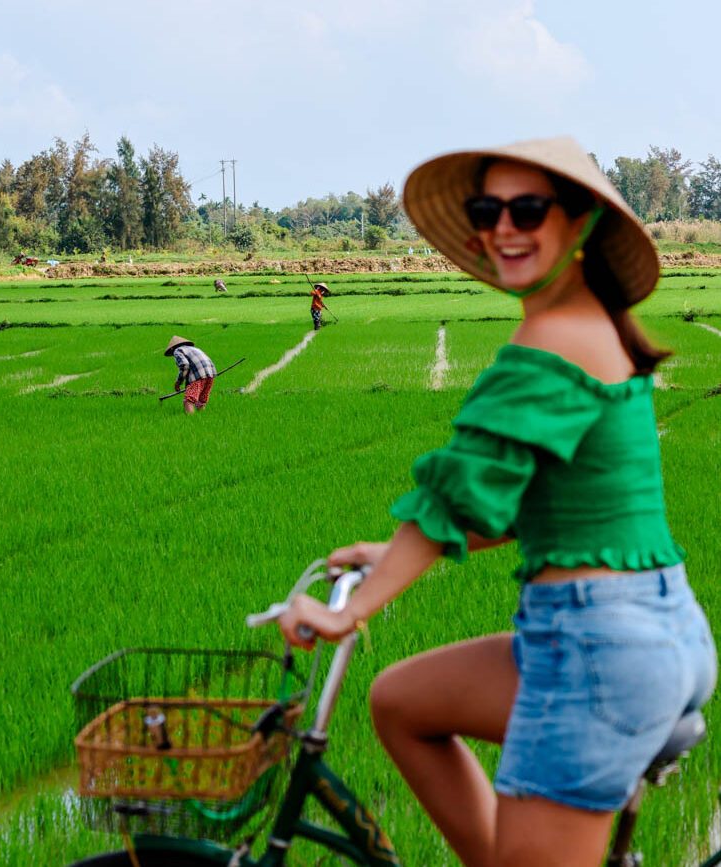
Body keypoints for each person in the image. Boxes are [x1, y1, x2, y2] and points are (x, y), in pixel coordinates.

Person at [278, 137, 717, 867]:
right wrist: (393, 553)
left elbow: (455, 497)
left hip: (597, 648)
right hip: (653, 628)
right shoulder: (594, 322)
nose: (503, 226)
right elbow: (521, 503)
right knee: (402, 701)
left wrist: (347, 610)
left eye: (527, 208)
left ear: (578, 222)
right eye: (488, 209)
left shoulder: (551, 339)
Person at [163, 335, 217, 414]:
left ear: (172, 348)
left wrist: (179, 382)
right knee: (201, 401)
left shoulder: (178, 350)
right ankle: (201, 418)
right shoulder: (195, 349)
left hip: (197, 376)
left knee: (189, 400)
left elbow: (185, 365)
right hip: (210, 374)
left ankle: (191, 419)